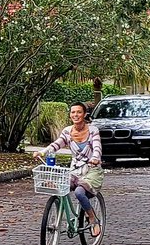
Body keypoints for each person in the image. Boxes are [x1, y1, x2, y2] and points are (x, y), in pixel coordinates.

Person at [40, 101, 104, 236]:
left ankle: (93, 218)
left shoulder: (93, 130)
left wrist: (95, 157)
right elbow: (56, 144)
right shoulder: (67, 131)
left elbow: (97, 147)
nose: (76, 115)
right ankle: (58, 219)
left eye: (79, 112)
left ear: (85, 114)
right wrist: (43, 152)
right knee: (58, 186)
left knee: (80, 193)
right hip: (74, 170)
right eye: (73, 112)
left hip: (91, 170)